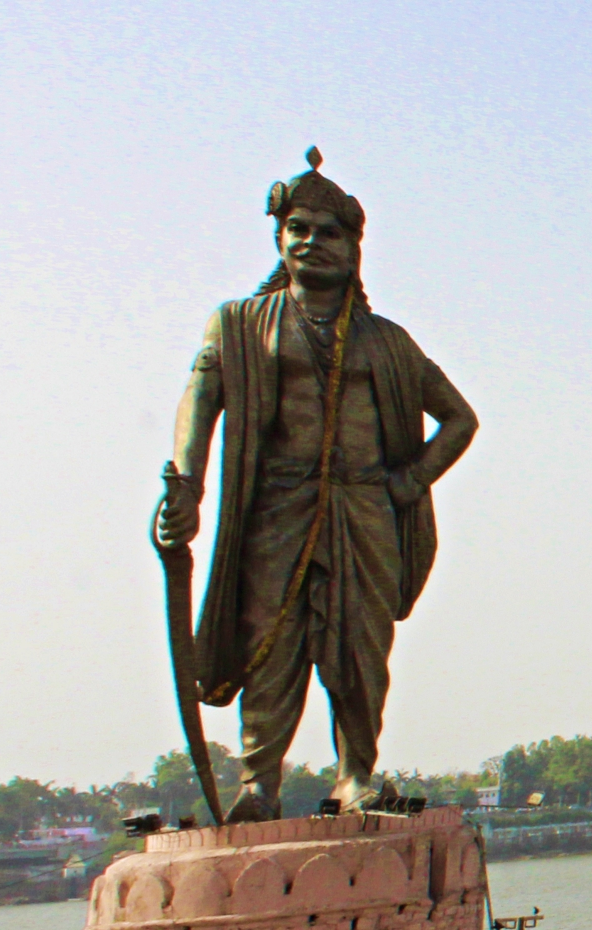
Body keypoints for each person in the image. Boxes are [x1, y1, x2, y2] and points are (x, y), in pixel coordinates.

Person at [155, 148, 478, 821]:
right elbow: (200, 401)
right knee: (268, 639)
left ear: (355, 247)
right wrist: (186, 484)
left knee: (360, 645)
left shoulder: (386, 342)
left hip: (363, 507)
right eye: (299, 229)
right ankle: (259, 783)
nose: (313, 242)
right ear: (280, 238)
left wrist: (406, 482)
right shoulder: (241, 326)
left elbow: (458, 418)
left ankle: (357, 772)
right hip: (278, 506)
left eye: (330, 232)